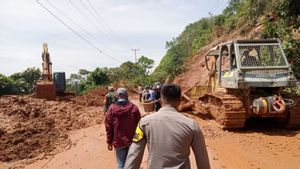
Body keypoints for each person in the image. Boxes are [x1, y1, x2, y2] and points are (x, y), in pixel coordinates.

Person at [124, 84, 211, 169]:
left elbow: (134, 155)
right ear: (180, 100)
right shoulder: (192, 125)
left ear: (161, 100)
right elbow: (202, 160)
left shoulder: (144, 123)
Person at [105, 87, 141, 169]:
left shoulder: (111, 109)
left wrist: (109, 142)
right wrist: (138, 140)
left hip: (118, 141)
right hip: (132, 141)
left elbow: (108, 127)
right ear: (127, 95)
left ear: (117, 96)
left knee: (121, 164)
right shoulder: (133, 107)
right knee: (131, 164)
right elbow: (139, 125)